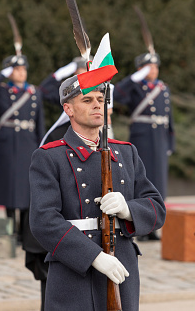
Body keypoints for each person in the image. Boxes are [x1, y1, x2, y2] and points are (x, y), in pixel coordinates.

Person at [29, 73, 166, 310]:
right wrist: (93, 256)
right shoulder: (50, 157)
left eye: (101, 100)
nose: (97, 105)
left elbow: (156, 207)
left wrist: (128, 209)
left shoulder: (126, 152)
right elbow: (44, 220)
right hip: (74, 272)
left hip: (120, 265)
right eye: (87, 100)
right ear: (68, 109)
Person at [0, 54, 45, 247]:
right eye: (16, 69)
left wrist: (42, 146)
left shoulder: (34, 92)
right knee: (8, 188)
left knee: (26, 189)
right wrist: (1, 74)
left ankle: (24, 232)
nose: (21, 73)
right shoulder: (1, 90)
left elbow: (39, 122)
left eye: (23, 69)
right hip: (7, 143)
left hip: (28, 143)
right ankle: (10, 229)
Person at [113, 52, 174, 240]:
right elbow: (116, 95)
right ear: (140, 69)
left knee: (158, 184)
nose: (154, 71)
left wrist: (171, 142)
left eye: (156, 67)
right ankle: (140, 226)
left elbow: (169, 119)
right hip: (143, 139)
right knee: (142, 181)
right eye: (149, 67)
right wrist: (133, 79)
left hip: (160, 138)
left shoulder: (163, 88)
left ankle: (153, 226)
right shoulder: (135, 87)